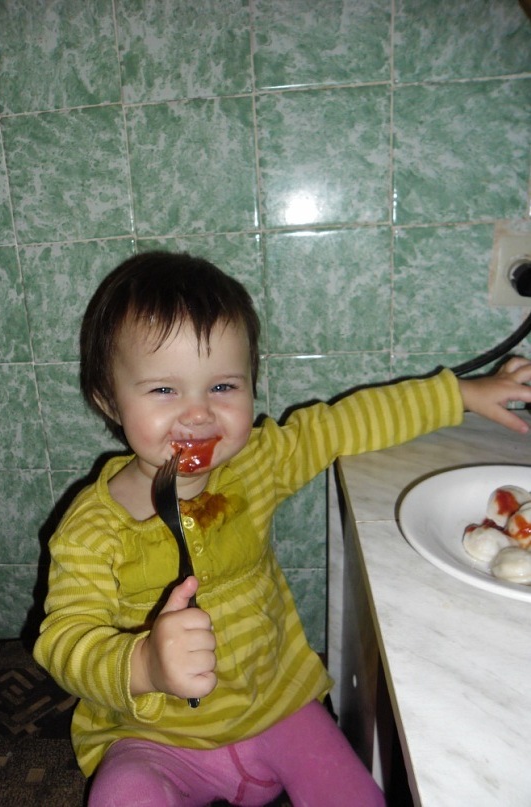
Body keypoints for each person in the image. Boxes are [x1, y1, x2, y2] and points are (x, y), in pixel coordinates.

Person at [34, 251, 531, 807]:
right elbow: (63, 641)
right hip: (151, 740)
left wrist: (459, 395)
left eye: (223, 387)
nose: (198, 415)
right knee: (122, 795)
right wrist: (145, 665)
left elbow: (340, 424)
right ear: (108, 398)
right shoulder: (92, 529)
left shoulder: (257, 463)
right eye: (164, 391)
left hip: (279, 708)